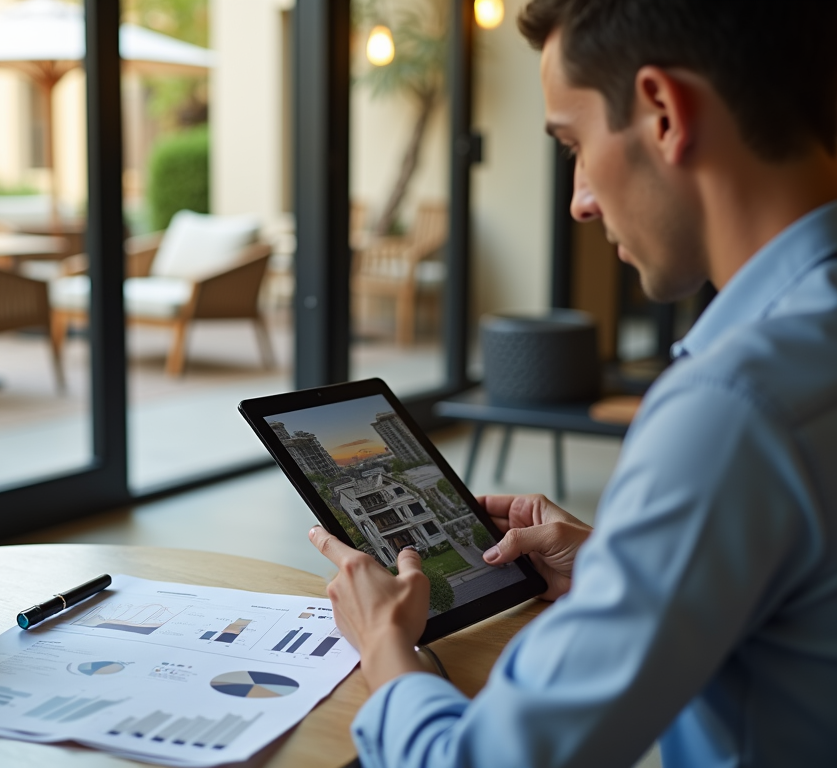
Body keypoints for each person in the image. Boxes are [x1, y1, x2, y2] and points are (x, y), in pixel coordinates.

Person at [307, 1, 837, 766]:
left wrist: (385, 648)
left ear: (662, 111)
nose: (580, 201)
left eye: (574, 144)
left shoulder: (733, 409)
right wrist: (619, 565)